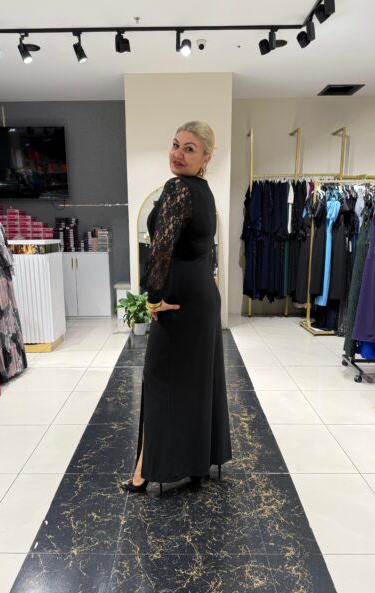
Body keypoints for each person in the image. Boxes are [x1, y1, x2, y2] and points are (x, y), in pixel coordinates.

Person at [122, 121, 232, 494]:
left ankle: (146, 469)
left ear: (206, 158)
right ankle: (197, 463)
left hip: (177, 301)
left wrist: (153, 297)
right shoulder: (205, 193)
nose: (178, 154)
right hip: (202, 297)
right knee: (196, 383)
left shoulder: (177, 188)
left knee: (159, 381)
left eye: (189, 148)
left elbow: (161, 250)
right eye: (175, 144)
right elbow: (204, 248)